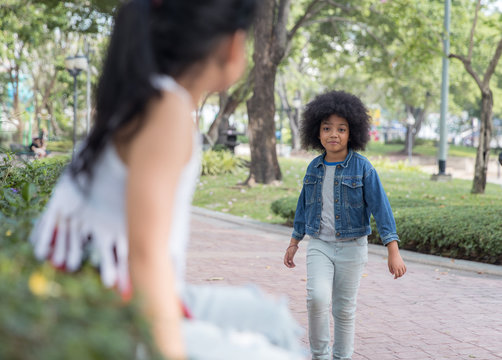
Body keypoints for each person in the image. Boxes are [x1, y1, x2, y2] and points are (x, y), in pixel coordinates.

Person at [30, 1, 305, 359]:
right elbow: (145, 255)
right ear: (232, 46)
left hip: (97, 292)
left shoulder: (147, 98)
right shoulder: (166, 112)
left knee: (272, 318)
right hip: (101, 315)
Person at [283, 90, 407, 360]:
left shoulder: (363, 168)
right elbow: (304, 205)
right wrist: (294, 241)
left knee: (343, 309)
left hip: (352, 247)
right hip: (320, 244)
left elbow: (381, 208)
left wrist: (392, 249)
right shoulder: (313, 168)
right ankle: (320, 356)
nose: (334, 134)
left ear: (353, 133)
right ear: (317, 133)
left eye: (341, 129)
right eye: (327, 128)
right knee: (316, 298)